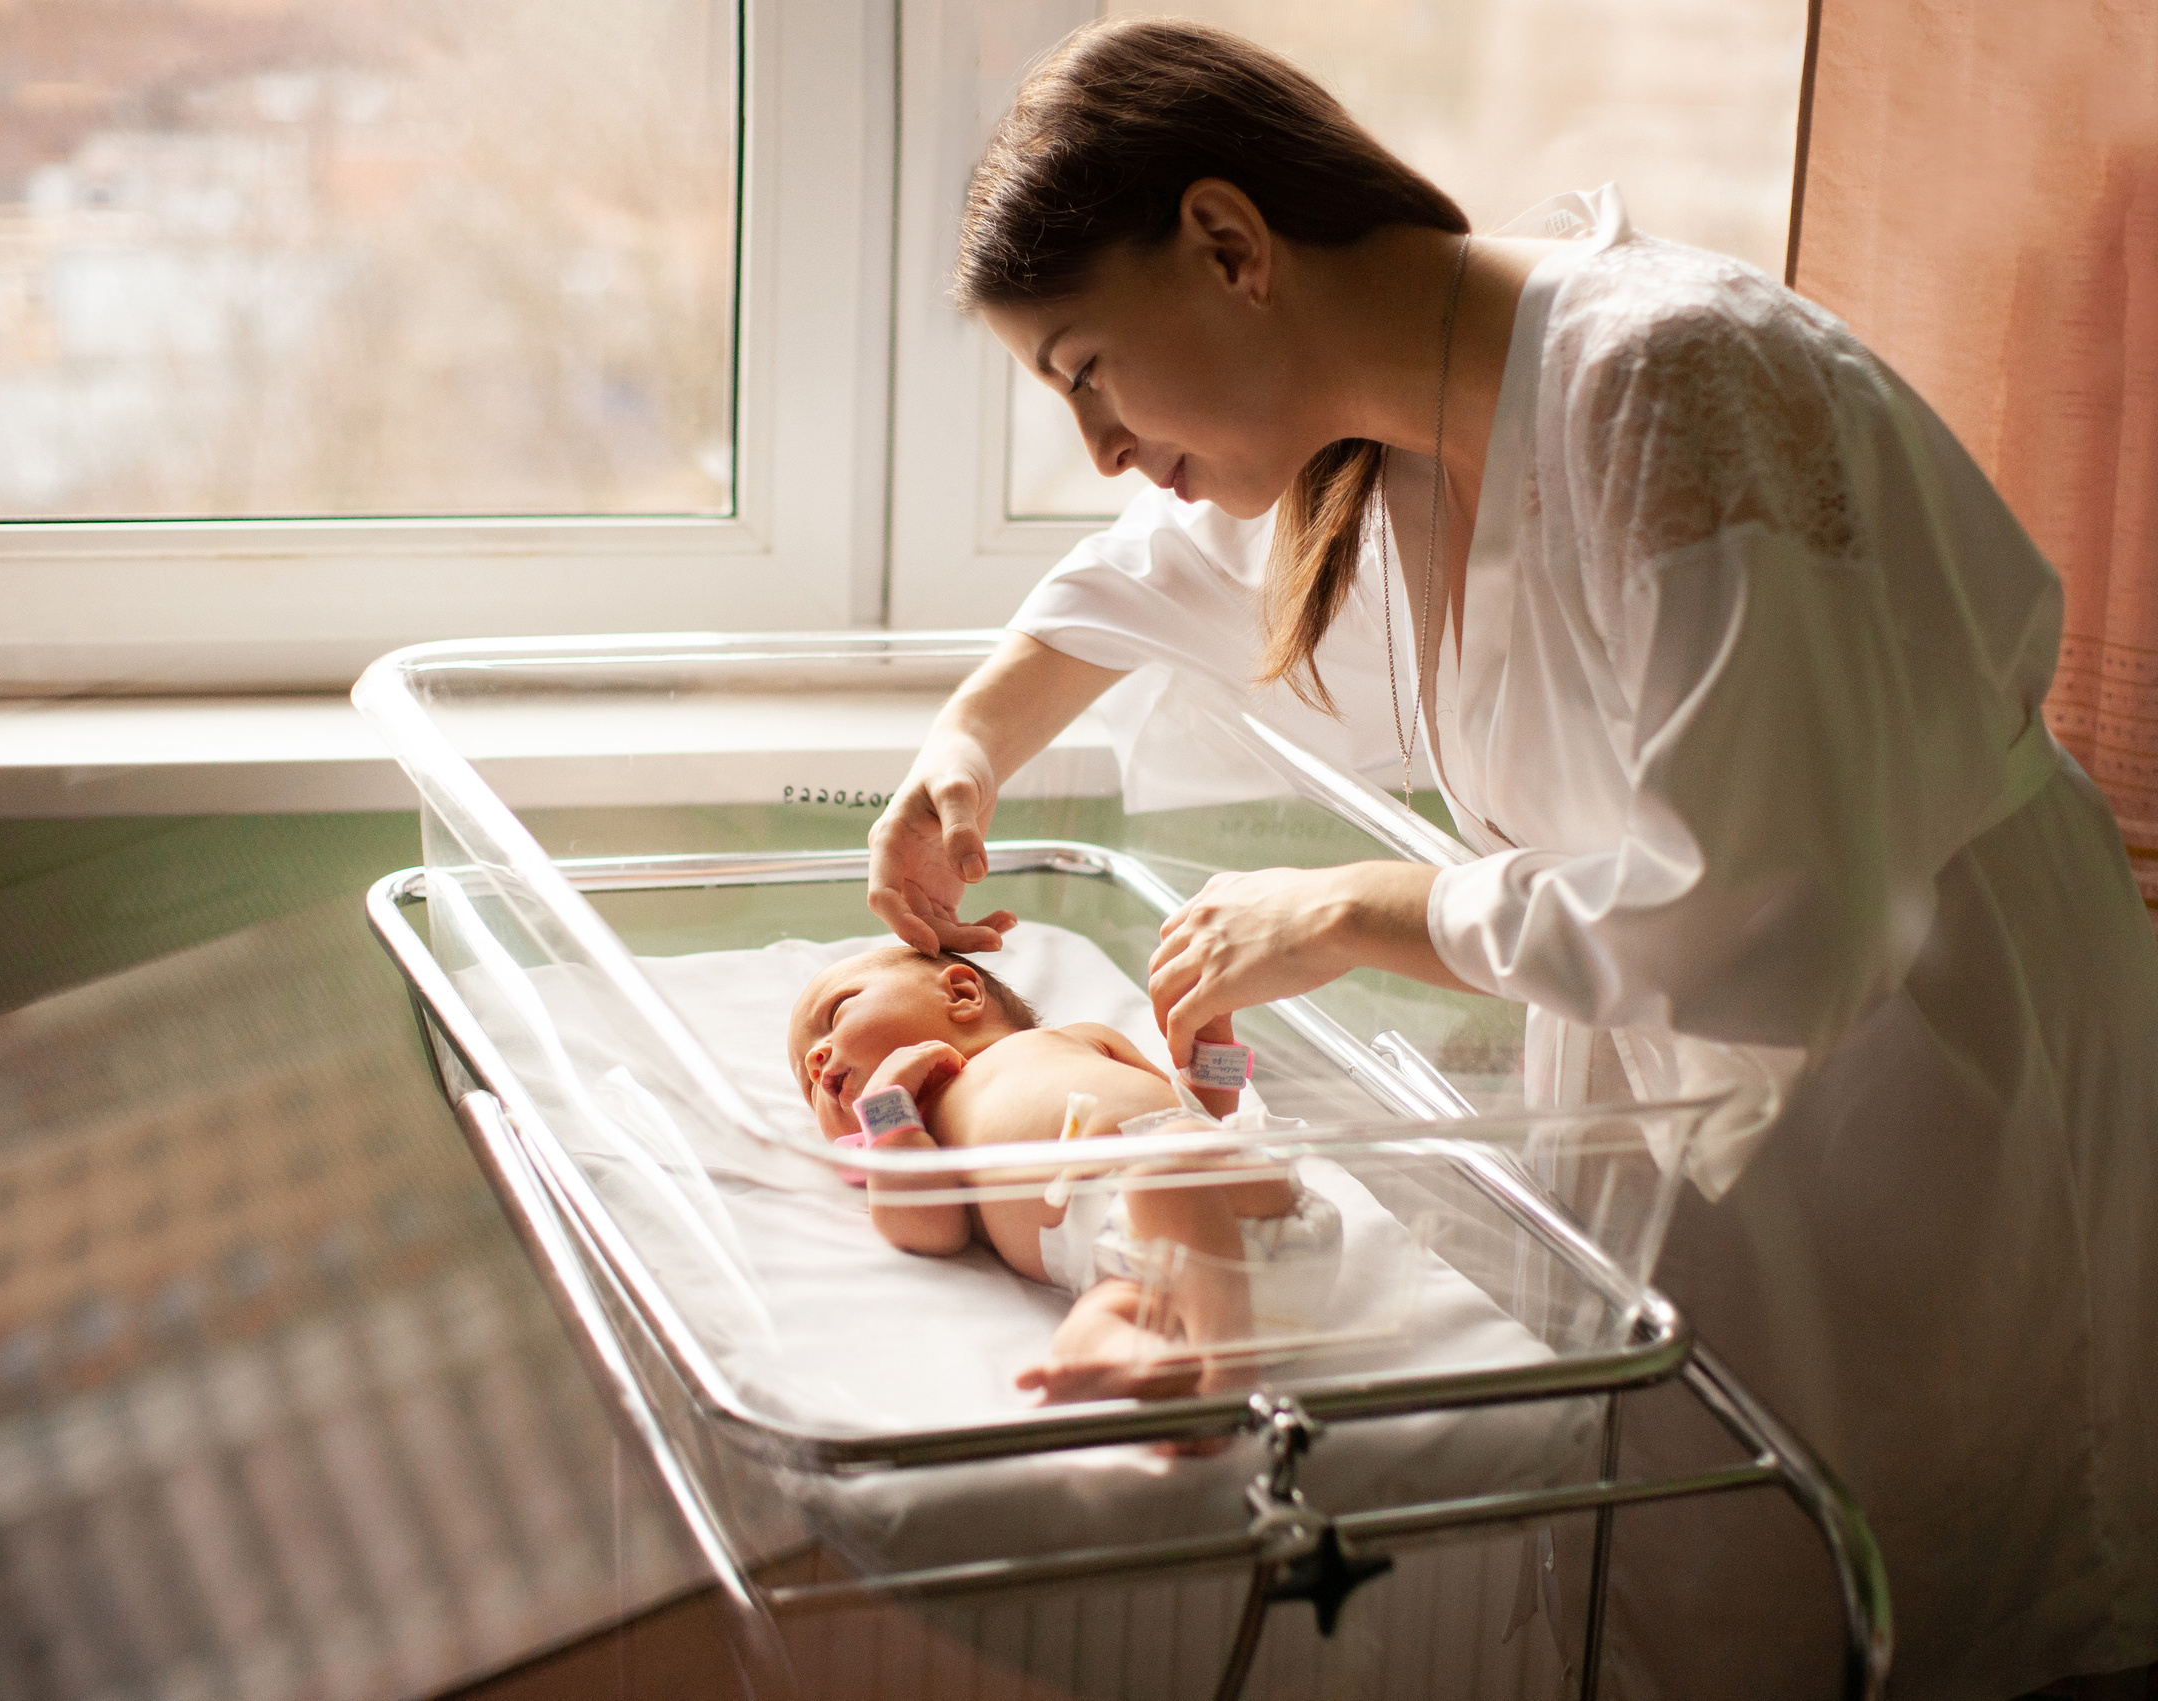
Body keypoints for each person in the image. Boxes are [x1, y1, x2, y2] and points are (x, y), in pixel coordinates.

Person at [865, 18, 2158, 1701]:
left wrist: (1348, 908)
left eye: (1086, 371)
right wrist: (958, 753)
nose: (1100, 445)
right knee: (1695, 1571)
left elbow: (1779, 913)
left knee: (1931, 1588)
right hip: (1678, 1059)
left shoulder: (1668, 379)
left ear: (1228, 244)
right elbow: (1133, 578)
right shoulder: (1379, 442)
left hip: (1924, 1053)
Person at [786, 943, 1334, 1402]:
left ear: (961, 993)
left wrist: (1214, 1042)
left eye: (835, 1017)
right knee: (1084, 1331)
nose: (816, 1061)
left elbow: (1205, 1114)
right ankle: (1155, 1363)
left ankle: (1228, 1370)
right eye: (806, 1085)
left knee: (1169, 1160)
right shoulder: (919, 1139)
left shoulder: (1075, 1039)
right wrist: (891, 1118)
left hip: (1239, 1202)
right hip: (1140, 1279)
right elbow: (931, 1232)